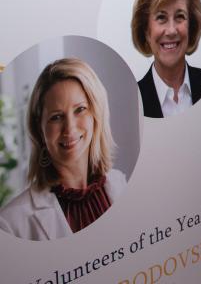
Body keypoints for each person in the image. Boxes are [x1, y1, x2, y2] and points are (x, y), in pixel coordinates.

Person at [0, 58, 127, 240]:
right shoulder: (10, 223)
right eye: (56, 117)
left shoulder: (119, 183)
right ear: (39, 128)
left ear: (95, 114)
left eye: (80, 109)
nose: (70, 128)